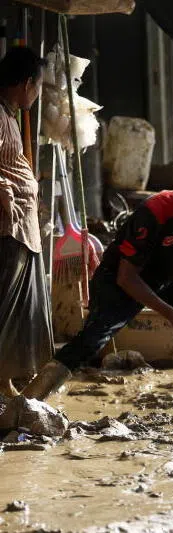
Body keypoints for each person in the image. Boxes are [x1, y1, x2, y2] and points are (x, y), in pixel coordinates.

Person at [23, 157, 173, 412]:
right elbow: (126, 276)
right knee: (92, 340)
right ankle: (25, 404)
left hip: (172, 278)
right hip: (120, 278)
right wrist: (170, 313)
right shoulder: (156, 210)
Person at [0, 47, 53, 398]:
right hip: (8, 225)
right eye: (38, 85)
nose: (38, 92)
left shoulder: (10, 115)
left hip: (22, 228)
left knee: (16, 312)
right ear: (25, 83)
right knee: (4, 310)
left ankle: (6, 381)